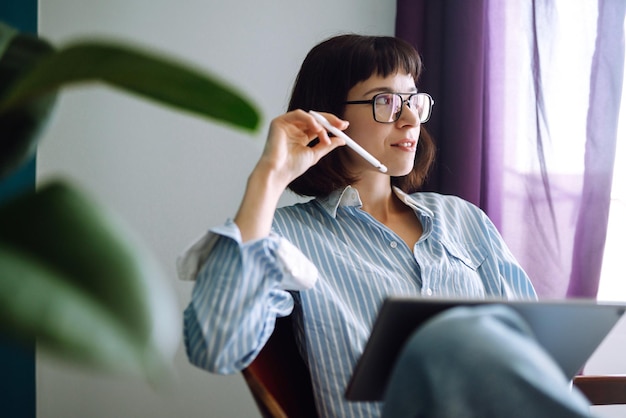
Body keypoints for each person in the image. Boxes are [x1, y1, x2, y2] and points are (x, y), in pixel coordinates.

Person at [178, 34, 594, 417]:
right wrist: (269, 176)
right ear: (329, 116)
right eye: (386, 101)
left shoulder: (464, 220)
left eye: (413, 100)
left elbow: (540, 360)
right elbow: (217, 346)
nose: (411, 119)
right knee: (454, 337)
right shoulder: (285, 238)